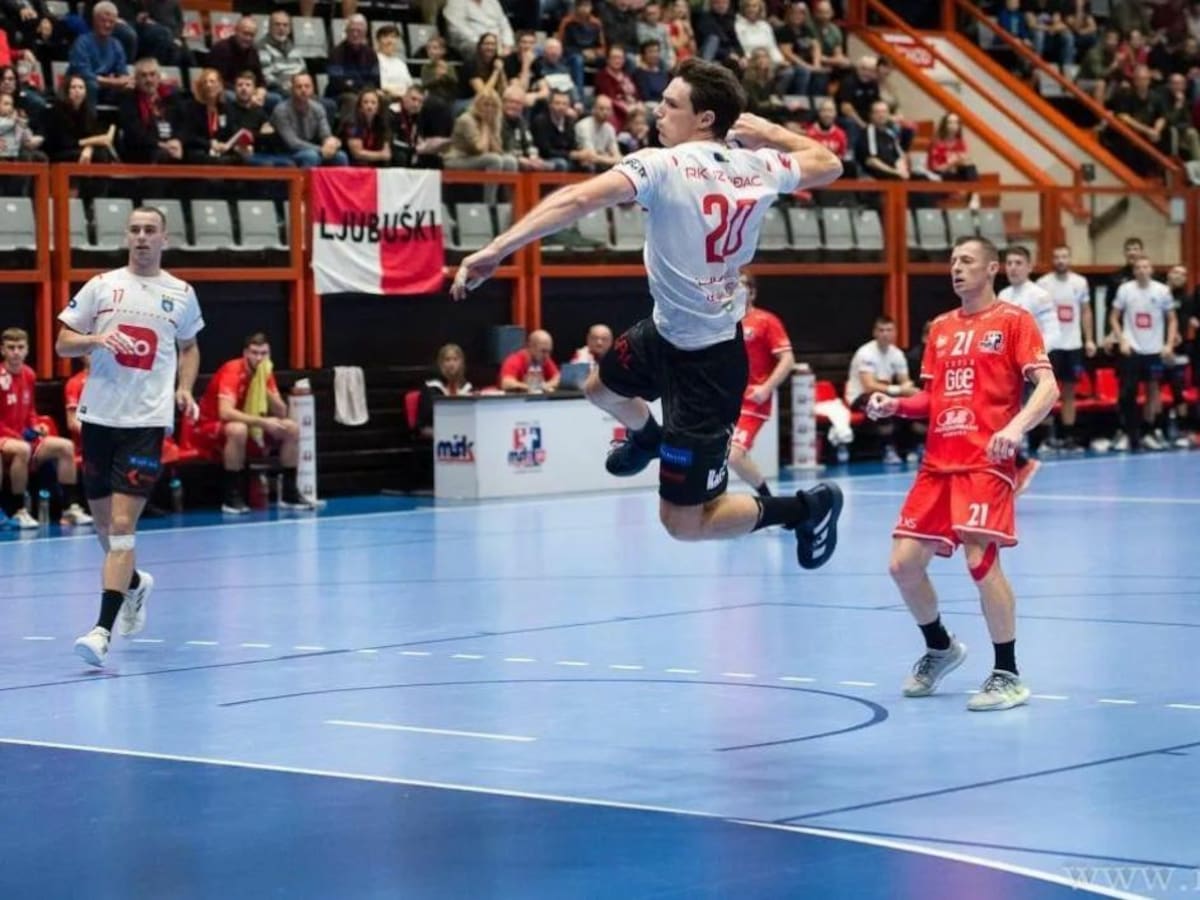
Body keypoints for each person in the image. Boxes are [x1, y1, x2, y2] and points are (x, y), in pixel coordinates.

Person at [451, 59, 845, 567]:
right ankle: (648, 437)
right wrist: (767, 131)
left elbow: (576, 200)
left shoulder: (662, 165)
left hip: (708, 367)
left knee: (684, 523)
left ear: (705, 119)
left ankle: (805, 509)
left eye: (671, 104)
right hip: (664, 334)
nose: (658, 112)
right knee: (599, 388)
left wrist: (497, 249)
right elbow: (829, 163)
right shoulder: (758, 166)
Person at [867, 236, 1059, 711]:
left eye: (967, 261)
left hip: (985, 462)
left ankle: (1007, 673)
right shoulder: (941, 328)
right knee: (903, 565)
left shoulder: (1014, 321)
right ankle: (940, 648)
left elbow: (1049, 387)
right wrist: (896, 404)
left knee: (979, 558)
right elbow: (931, 399)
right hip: (938, 463)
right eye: (953, 261)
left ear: (992, 268)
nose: (956, 268)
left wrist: (1014, 427)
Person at [56, 206, 204, 667]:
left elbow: (190, 347)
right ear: (127, 236)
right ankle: (135, 584)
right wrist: (95, 340)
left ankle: (101, 631)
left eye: (150, 230)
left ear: (164, 239)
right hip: (99, 418)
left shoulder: (181, 294)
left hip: (146, 423)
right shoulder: (102, 286)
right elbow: (62, 342)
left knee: (122, 527)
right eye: (135, 230)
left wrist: (184, 388)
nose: (142, 237)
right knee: (104, 528)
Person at [194, 333, 312, 514]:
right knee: (238, 429)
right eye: (254, 353)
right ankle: (232, 496)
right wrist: (263, 422)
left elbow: (282, 412)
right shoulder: (232, 370)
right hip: (209, 427)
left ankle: (290, 493)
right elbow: (225, 413)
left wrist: (263, 387)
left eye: (264, 353)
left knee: (291, 428)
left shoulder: (265, 373)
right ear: (245, 354)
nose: (259, 358)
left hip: (250, 426)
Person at [0, 327, 92, 528]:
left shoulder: (29, 374)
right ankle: (19, 511)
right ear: (3, 350)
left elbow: (30, 409)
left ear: (27, 350)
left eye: (20, 347)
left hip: (22, 437)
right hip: (6, 438)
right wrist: (18, 436)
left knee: (65, 447)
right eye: (11, 347)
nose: (16, 352)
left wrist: (36, 425)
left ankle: (70, 508)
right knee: (22, 449)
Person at [998, 244, 1059, 494]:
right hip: (1004, 369)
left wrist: (1031, 360)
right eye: (1009, 263)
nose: (1013, 268)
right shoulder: (1002, 295)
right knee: (1000, 418)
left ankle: (1019, 466)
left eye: (1018, 263)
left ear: (1029, 267)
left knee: (1016, 418)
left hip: (1029, 368)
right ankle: (1018, 466)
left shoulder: (1039, 296)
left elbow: (1053, 332)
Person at [729, 272, 793, 496]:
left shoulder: (766, 321)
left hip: (751, 402)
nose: (736, 289)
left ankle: (767, 498)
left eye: (742, 285)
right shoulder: (722, 321)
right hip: (724, 400)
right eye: (733, 285)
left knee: (734, 456)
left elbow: (787, 359)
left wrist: (766, 388)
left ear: (752, 293)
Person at [1108, 254, 1177, 452]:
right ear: (1134, 271)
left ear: (1151, 270)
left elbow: (1172, 319)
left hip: (1154, 349)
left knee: (1152, 391)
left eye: (1146, 267)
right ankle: (1129, 433)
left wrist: (1169, 344)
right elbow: (1113, 317)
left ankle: (1149, 432)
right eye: (1138, 267)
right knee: (1127, 393)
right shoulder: (1125, 289)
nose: (1142, 270)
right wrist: (1122, 340)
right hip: (1132, 349)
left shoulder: (1162, 291)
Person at [1035, 244, 1095, 451]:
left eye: (1064, 256)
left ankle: (1069, 436)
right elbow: (1036, 315)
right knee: (1045, 393)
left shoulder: (1080, 282)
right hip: (1051, 346)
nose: (1061, 260)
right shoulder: (1043, 284)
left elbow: (1086, 311)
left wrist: (1089, 339)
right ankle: (1046, 438)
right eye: (1057, 257)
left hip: (1073, 345)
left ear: (1069, 259)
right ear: (1053, 260)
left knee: (1069, 392)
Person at [844, 315, 918, 465]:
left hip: (884, 394)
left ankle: (915, 447)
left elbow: (904, 381)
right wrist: (900, 390)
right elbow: (869, 386)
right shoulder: (865, 353)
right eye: (881, 330)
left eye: (889, 330)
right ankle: (888, 448)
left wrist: (911, 389)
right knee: (881, 402)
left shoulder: (897, 354)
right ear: (875, 333)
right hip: (858, 397)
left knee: (918, 401)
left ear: (895, 333)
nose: (885, 334)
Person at [416, 343, 474, 438]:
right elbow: (426, 420)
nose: (452, 364)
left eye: (455, 359)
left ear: (461, 363)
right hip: (433, 431)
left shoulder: (467, 387)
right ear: (441, 363)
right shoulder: (431, 387)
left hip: (460, 432)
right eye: (447, 360)